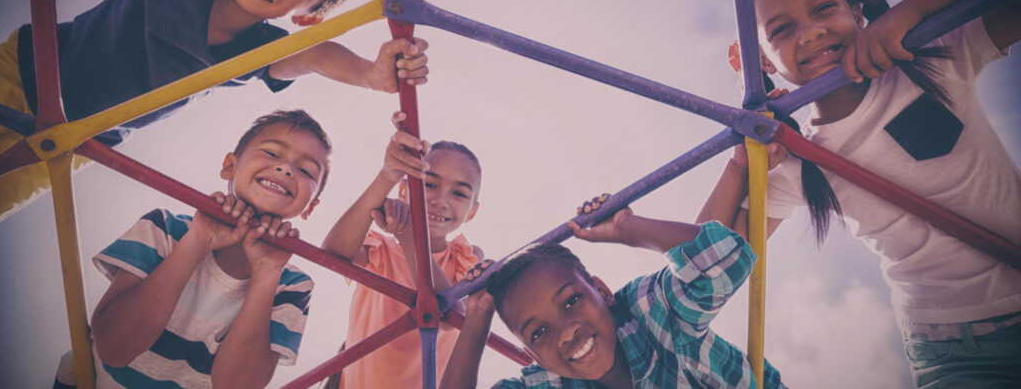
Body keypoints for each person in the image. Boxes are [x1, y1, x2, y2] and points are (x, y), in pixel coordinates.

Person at [698, 0, 1021, 388]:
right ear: (766, 61)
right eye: (782, 30)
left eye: (823, 8)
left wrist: (914, 11)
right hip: (952, 349)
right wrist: (739, 161)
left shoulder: (930, 56)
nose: (810, 33)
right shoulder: (794, 156)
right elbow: (707, 263)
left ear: (857, 10)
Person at [0, 0, 430, 222]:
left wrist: (372, 75)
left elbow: (315, 55)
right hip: (24, 71)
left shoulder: (254, 51)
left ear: (308, 14)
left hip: (69, 143)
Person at [53, 109, 331, 388]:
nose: (286, 169)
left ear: (311, 207)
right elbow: (113, 350)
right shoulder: (165, 228)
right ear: (229, 166)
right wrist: (198, 239)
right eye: (271, 153)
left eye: (306, 170)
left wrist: (268, 271)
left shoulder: (292, 285)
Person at [442, 194, 785, 389]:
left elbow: (728, 260)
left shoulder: (649, 313)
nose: (566, 331)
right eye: (539, 332)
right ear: (532, 354)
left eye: (571, 300)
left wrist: (629, 228)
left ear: (602, 291)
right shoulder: (548, 383)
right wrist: (475, 321)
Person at [322, 111, 485, 388]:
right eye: (429, 184)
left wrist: (409, 234)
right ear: (403, 190)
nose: (441, 200)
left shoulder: (467, 257)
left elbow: (452, 316)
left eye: (459, 193)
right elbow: (333, 253)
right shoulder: (382, 249)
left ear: (472, 212)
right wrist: (387, 174)